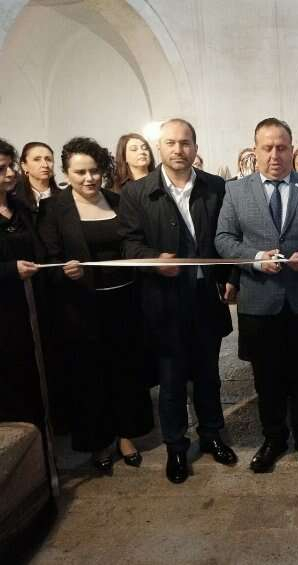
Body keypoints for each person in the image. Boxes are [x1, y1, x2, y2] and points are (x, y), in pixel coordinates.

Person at [119, 118, 238, 483]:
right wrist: (154, 261)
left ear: (195, 147)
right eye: (170, 143)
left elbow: (229, 236)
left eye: (185, 143)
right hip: (165, 302)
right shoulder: (137, 192)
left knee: (208, 375)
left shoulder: (216, 187)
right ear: (160, 147)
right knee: (171, 380)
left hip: (206, 298)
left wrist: (231, 278)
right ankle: (175, 447)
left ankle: (212, 434)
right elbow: (129, 244)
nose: (178, 149)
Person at [216, 117, 298, 473]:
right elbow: (223, 239)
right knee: (266, 377)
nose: (274, 155)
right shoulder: (236, 191)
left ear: (292, 149)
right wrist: (255, 259)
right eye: (267, 148)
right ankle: (273, 438)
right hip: (259, 301)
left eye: (281, 147)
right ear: (255, 150)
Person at [37, 137, 153, 473]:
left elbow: (133, 243)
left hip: (124, 302)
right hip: (82, 307)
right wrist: (64, 271)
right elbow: (49, 258)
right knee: (90, 377)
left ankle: (126, 435)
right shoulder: (54, 209)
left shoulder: (117, 200)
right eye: (80, 172)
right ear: (66, 173)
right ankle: (99, 441)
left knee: (125, 371)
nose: (89, 178)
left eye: (94, 171)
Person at [0, 138, 45, 427]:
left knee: (32, 376)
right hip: (4, 313)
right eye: (1, 169)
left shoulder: (20, 207)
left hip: (30, 305)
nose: (10, 173)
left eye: (10, 166)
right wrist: (9, 270)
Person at [16, 142, 60, 211]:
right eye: (37, 159)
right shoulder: (14, 199)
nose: (45, 165)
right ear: (24, 166)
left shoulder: (65, 198)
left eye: (48, 159)